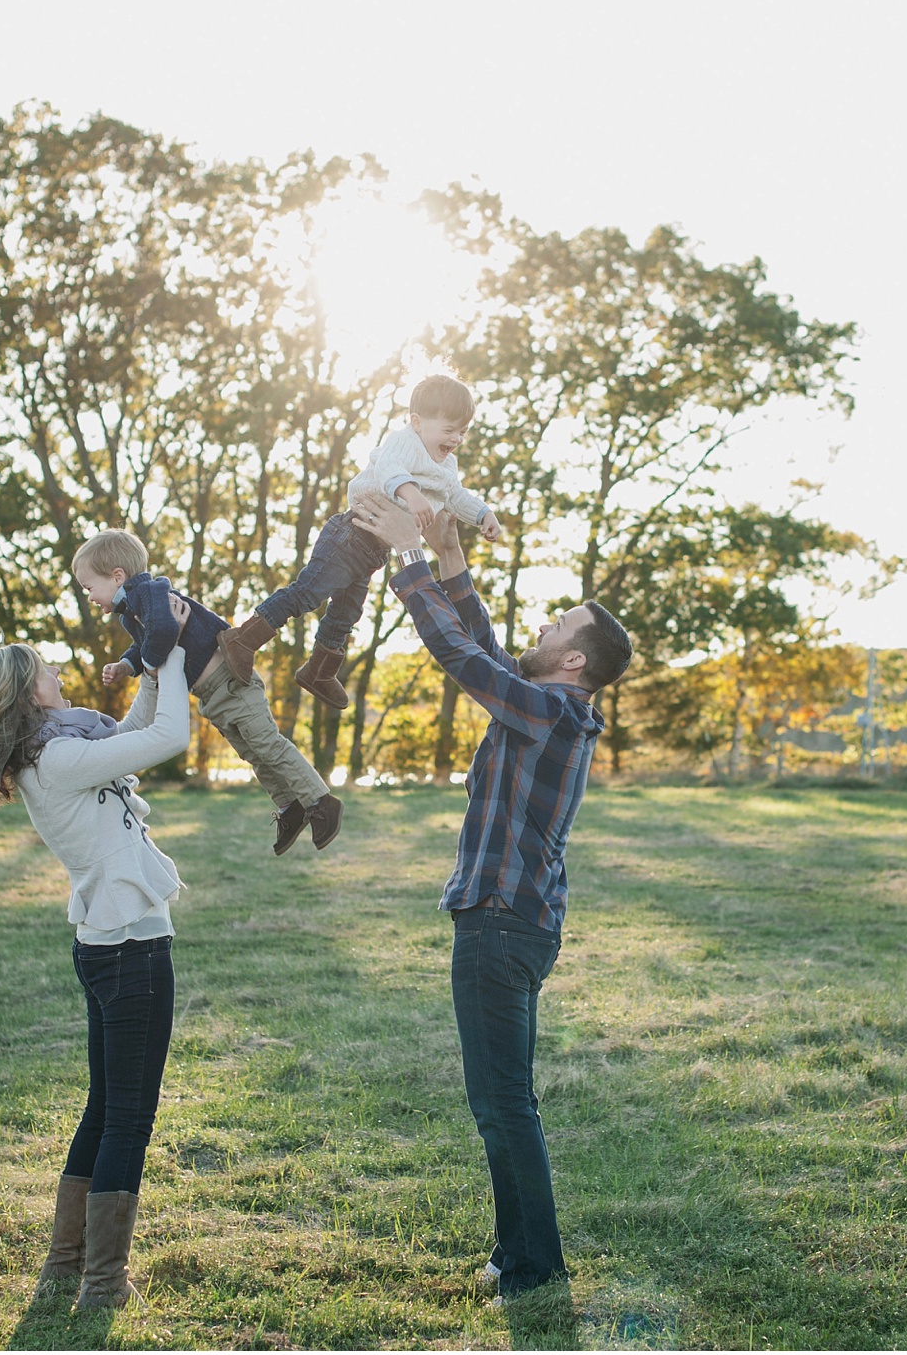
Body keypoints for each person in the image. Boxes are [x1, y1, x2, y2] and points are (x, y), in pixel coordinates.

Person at [348, 492, 632, 1301]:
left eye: (557, 628)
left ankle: (534, 1264)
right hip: (512, 922)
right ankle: (518, 1255)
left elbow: (467, 662)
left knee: (501, 1100)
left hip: (501, 926)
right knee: (501, 1099)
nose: (542, 631)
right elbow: (495, 653)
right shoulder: (549, 704)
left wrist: (408, 564)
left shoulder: (551, 710)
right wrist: (450, 561)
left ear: (575, 660)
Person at [0, 632, 195, 1313]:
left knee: (104, 1110)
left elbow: (140, 728)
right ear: (31, 692)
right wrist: (173, 654)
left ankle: (64, 1267)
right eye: (48, 670)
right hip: (131, 949)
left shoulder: (54, 752)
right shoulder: (58, 758)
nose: (60, 673)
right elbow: (170, 733)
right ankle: (104, 1283)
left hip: (104, 943)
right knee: (128, 1120)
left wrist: (149, 667)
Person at [217, 374, 504, 710]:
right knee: (309, 592)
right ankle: (242, 640)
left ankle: (319, 670)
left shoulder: (447, 465)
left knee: (347, 612)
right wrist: (410, 493)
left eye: (462, 432)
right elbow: (388, 469)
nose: (455, 439)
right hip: (349, 534)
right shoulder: (404, 442)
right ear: (417, 422)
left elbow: (455, 495)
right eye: (449, 430)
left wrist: (483, 514)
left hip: (373, 549)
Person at [73, 529, 342, 854]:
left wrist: (148, 661)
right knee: (252, 753)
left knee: (268, 745)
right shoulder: (131, 612)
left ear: (117, 576)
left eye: (89, 587)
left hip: (231, 682)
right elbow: (145, 644)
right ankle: (290, 808)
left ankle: (320, 801)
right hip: (212, 695)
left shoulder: (149, 592)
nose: (89, 596)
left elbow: (163, 630)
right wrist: (127, 666)